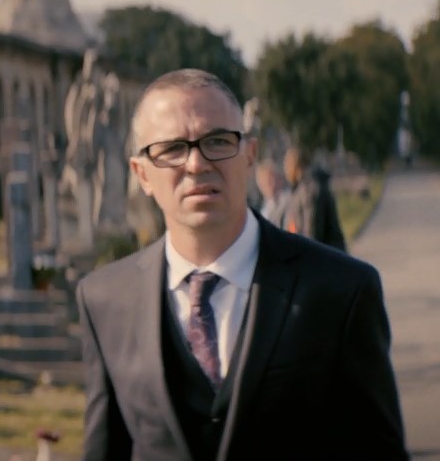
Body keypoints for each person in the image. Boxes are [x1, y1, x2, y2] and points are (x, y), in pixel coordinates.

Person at [76, 68, 407, 460]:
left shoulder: (341, 290)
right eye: (172, 149)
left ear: (249, 154)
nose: (196, 164)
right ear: (141, 174)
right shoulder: (104, 301)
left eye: (217, 141)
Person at [283, 146, 348, 253]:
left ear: (293, 165)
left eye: (286, 164)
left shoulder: (310, 189)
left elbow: (312, 233)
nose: (285, 170)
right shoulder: (302, 188)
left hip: (326, 256)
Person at [253, 161, 289, 227]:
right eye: (264, 182)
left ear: (280, 180)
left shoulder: (288, 201)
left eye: (271, 180)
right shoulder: (263, 209)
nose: (269, 185)